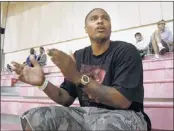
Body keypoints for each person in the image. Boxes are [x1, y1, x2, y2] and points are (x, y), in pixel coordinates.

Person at [11, 8, 151, 131]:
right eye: (94, 18)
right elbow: (64, 98)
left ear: (110, 26)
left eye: (105, 18)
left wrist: (78, 77)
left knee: (105, 125)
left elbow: (122, 101)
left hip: (127, 116)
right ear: (85, 28)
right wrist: (42, 83)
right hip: (87, 115)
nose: (100, 21)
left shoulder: (126, 51)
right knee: (37, 117)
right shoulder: (78, 56)